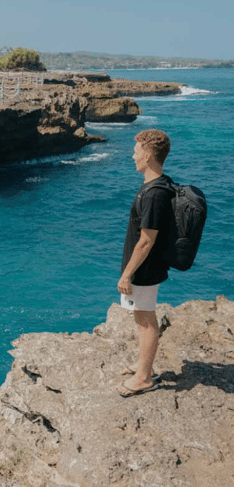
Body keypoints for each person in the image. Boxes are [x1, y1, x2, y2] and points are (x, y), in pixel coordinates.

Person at [116, 129, 175, 397]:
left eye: (137, 151)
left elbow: (146, 241)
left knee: (146, 319)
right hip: (146, 265)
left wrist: (127, 274)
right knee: (141, 316)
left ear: (148, 155)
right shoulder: (157, 184)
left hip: (145, 267)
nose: (132, 155)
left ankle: (144, 378)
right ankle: (143, 365)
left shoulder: (154, 193)